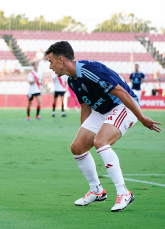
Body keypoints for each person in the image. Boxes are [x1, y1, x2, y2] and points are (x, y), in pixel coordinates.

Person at [46, 41, 161, 212]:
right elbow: (85, 107)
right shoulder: (72, 81)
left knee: (101, 142)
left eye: (50, 61)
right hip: (102, 111)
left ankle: (124, 193)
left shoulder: (91, 70)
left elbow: (121, 92)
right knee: (77, 147)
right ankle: (97, 191)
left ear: (61, 59)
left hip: (123, 106)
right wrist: (82, 134)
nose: (50, 66)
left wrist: (141, 117)